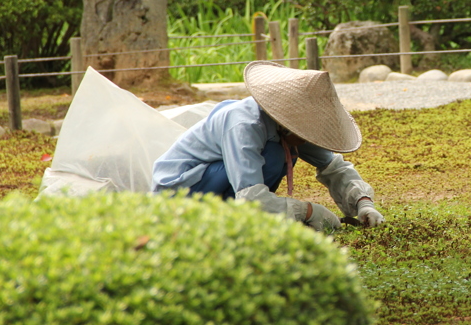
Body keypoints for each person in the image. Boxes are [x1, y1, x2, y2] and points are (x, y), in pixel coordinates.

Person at [152, 60, 384, 231]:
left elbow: (334, 166)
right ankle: (226, 222)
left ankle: (237, 220)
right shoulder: (244, 124)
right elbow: (250, 196)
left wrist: (363, 204)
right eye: (307, 133)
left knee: (276, 153)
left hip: (219, 184)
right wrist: (308, 211)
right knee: (273, 156)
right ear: (288, 123)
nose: (309, 139)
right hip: (180, 193)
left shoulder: (294, 128)